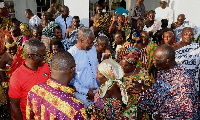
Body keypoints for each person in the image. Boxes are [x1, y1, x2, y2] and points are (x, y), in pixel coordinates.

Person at [138, 44, 198, 119]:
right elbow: (160, 92)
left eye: (156, 60)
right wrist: (144, 89)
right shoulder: (165, 71)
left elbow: (181, 113)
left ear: (167, 61)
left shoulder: (182, 81)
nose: (153, 62)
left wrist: (155, 116)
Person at [26, 52, 87, 120]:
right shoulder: (75, 108)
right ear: (72, 70)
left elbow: (30, 117)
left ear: (51, 67)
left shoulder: (35, 89)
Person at [9, 38, 50, 120]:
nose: (45, 58)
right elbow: (15, 106)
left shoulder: (45, 67)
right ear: (30, 56)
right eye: (41, 56)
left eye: (45, 54)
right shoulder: (16, 77)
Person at [68, 27, 99, 108]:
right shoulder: (71, 54)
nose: (92, 45)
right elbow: (70, 79)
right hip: (81, 97)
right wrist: (86, 91)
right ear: (82, 40)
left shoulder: (93, 50)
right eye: (90, 42)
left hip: (97, 93)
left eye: (93, 42)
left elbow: (96, 68)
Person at [120, 46, 153, 120]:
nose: (122, 67)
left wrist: (142, 88)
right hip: (124, 108)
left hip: (140, 109)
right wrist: (124, 92)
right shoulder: (119, 73)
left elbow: (151, 87)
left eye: (125, 66)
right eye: (121, 65)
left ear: (133, 66)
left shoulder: (142, 73)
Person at [173, 27, 200, 95]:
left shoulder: (197, 47)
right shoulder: (174, 48)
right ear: (181, 35)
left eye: (191, 34)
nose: (188, 36)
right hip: (178, 81)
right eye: (186, 34)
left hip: (193, 82)